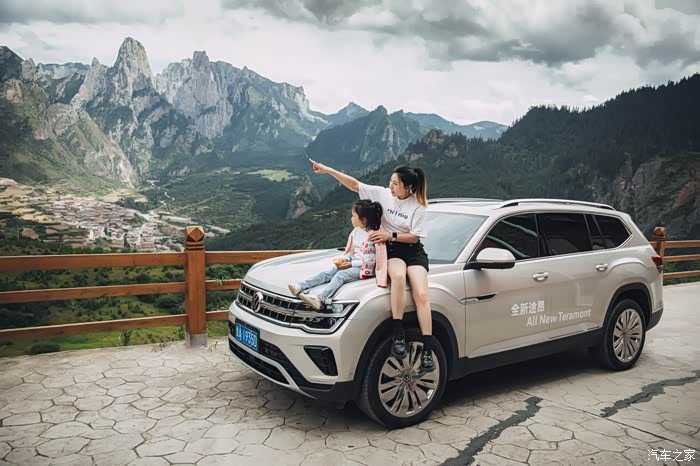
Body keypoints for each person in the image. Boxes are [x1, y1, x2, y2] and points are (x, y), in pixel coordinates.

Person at [307, 158, 435, 372]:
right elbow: (355, 185)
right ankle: (398, 334)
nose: (390, 186)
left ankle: (428, 349)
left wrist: (390, 234)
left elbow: (414, 237)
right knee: (398, 277)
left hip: (412, 251)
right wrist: (328, 170)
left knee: (422, 294)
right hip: (391, 251)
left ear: (409, 187)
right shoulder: (383, 194)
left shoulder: (418, 206)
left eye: (395, 183)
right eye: (391, 182)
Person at [288, 199, 384, 310]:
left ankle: (321, 299)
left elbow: (369, 261)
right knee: (329, 272)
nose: (351, 218)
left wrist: (351, 264)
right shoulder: (356, 231)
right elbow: (350, 250)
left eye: (353, 216)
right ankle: (301, 286)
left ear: (363, 220)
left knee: (340, 275)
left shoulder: (372, 237)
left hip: (363, 267)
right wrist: (345, 258)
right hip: (352, 261)